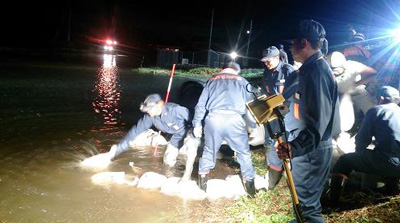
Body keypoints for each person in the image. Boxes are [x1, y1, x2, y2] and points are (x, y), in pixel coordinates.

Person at [276, 19, 341, 223]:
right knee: (303, 206)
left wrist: (294, 147)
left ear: (303, 42)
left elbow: (317, 123)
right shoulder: (310, 70)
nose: (290, 47)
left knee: (308, 210)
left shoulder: (316, 73)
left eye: (292, 42)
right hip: (308, 148)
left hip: (311, 151)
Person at [192, 62, 257, 197]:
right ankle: (251, 191)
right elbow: (251, 106)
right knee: (243, 153)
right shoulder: (243, 81)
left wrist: (197, 124)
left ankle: (202, 188)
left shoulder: (212, 81)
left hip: (213, 119)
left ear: (223, 69)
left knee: (209, 151)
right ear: (237, 71)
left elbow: (201, 105)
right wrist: (253, 126)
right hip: (235, 120)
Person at [330, 86, 400, 203]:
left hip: (388, 161)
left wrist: (359, 155)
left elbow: (362, 139)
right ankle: (392, 191)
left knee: (344, 161)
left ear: (381, 98)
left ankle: (333, 200)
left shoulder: (376, 110)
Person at [90, 93, 191, 168]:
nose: (147, 112)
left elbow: (192, 118)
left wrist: (197, 132)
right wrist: (117, 149)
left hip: (190, 132)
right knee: (168, 161)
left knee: (191, 154)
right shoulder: (149, 117)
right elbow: (135, 131)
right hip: (176, 136)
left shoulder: (175, 109)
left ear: (158, 106)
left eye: (149, 109)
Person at [260, 45, 297, 190]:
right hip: (274, 112)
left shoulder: (288, 70)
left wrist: (282, 108)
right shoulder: (267, 73)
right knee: (272, 140)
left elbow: (293, 93)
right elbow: (265, 91)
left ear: (277, 58)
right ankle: (273, 170)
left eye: (269, 60)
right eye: (264, 61)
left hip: (288, 112)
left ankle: (292, 174)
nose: (266, 63)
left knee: (288, 141)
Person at [327, 51, 377, 155]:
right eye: (332, 70)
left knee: (373, 111)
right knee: (344, 122)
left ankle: (378, 133)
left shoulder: (352, 65)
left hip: (356, 90)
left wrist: (357, 83)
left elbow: (372, 72)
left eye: (337, 70)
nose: (335, 73)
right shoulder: (324, 69)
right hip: (340, 94)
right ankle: (340, 136)